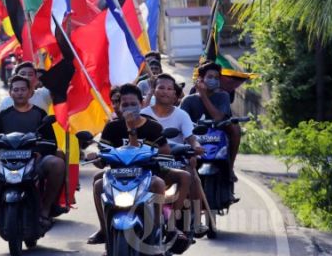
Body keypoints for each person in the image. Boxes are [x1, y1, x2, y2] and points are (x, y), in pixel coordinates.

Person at [87, 84, 190, 246]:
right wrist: (95, 156)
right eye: (125, 105)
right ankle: (104, 230)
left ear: (141, 104)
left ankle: (168, 228)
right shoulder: (112, 127)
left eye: (133, 104)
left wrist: (134, 132)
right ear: (119, 106)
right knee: (98, 183)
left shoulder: (153, 126)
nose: (129, 108)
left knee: (181, 177)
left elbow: (165, 151)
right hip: (119, 174)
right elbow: (101, 161)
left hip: (149, 173)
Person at [0, 75, 65, 232]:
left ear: (31, 92)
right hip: (6, 160)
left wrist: (38, 152)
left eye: (23, 89)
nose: (19, 93)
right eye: (15, 90)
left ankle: (45, 210)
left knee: (57, 163)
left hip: (34, 160)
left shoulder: (40, 114)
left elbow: (51, 143)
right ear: (10, 93)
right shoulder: (4, 115)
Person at [142, 74, 207, 232]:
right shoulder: (144, 114)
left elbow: (191, 137)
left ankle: (186, 220)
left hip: (175, 160)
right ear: (154, 91)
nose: (165, 91)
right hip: (148, 162)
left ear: (175, 95)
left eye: (169, 89)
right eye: (161, 87)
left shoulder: (181, 115)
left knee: (192, 176)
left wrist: (196, 147)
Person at [180, 61, 240, 183]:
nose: (213, 80)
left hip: (217, 135)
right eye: (210, 77)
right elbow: (181, 122)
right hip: (195, 137)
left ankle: (230, 168)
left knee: (236, 130)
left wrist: (204, 96)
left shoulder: (223, 96)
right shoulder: (188, 100)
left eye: (216, 78)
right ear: (200, 79)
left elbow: (218, 117)